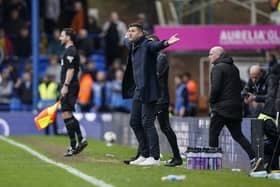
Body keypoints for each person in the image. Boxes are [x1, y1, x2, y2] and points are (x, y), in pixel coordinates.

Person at [122, 23, 180, 166]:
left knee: (148, 123)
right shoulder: (133, 45)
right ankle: (144, 153)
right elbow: (126, 42)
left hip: (150, 91)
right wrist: (126, 36)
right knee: (134, 122)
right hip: (138, 90)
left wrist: (166, 42)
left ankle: (154, 157)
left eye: (133, 31)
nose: (130, 33)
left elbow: (156, 46)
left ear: (141, 33)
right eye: (129, 31)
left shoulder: (148, 45)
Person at [208, 46, 262, 173]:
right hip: (236, 108)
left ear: (217, 55)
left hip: (221, 108)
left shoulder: (217, 68)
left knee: (213, 133)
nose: (209, 56)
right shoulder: (234, 68)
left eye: (210, 54)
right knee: (238, 135)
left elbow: (215, 88)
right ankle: (254, 158)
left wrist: (212, 102)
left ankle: (213, 163)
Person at [59, 28, 88, 157]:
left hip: (70, 86)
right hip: (70, 86)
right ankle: (79, 141)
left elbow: (70, 70)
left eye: (62, 35)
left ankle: (74, 144)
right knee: (67, 114)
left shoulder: (70, 51)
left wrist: (65, 85)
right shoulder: (68, 51)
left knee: (66, 113)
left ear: (68, 37)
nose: (60, 37)